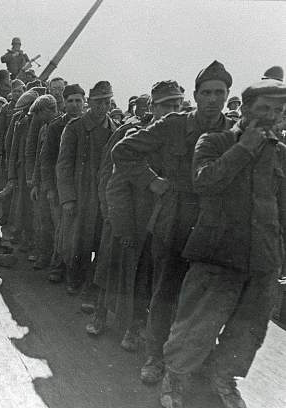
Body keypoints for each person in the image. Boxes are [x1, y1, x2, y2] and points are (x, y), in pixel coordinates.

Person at [160, 79, 286, 408]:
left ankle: (223, 377)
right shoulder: (214, 141)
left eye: (277, 110)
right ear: (244, 110)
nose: (271, 116)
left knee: (248, 330)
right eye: (263, 109)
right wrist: (244, 148)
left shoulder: (281, 153)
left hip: (262, 255)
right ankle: (176, 375)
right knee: (197, 324)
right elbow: (203, 182)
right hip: (217, 250)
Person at [111, 61, 234, 385]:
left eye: (219, 92)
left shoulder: (232, 133)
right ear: (195, 95)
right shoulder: (173, 125)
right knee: (164, 292)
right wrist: (152, 181)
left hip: (213, 224)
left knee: (203, 298)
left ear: (227, 95)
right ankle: (155, 357)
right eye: (206, 92)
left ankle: (192, 359)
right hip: (173, 218)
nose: (212, 99)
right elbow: (123, 152)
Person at [88, 80, 184, 351]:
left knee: (145, 278)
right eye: (167, 106)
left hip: (157, 224)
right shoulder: (133, 133)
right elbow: (110, 179)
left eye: (178, 105)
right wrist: (116, 221)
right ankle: (100, 314)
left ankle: (134, 327)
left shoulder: (181, 140)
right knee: (110, 269)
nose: (173, 111)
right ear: (153, 107)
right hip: (125, 217)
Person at [56, 81, 118, 312]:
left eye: (107, 101)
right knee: (77, 240)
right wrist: (68, 198)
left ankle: (92, 285)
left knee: (101, 242)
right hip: (81, 194)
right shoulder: (75, 128)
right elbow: (63, 165)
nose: (103, 105)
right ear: (89, 103)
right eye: (98, 101)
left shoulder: (115, 129)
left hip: (105, 196)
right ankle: (74, 277)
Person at [40, 84, 86, 282]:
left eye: (78, 100)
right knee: (62, 229)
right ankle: (58, 267)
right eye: (70, 101)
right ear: (64, 103)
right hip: (60, 186)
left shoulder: (87, 125)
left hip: (83, 187)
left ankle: (75, 269)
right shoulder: (56, 126)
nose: (74, 105)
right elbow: (47, 159)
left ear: (84, 102)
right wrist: (50, 188)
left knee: (79, 231)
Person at [24, 95, 58, 268]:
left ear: (47, 111)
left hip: (57, 184)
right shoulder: (44, 129)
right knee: (43, 221)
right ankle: (44, 255)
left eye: (38, 114)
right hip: (43, 183)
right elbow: (39, 158)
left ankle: (54, 259)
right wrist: (35, 183)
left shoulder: (61, 126)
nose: (35, 118)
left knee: (55, 224)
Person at [6, 89, 40, 248]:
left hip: (33, 169)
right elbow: (13, 147)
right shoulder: (20, 120)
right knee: (21, 203)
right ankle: (20, 233)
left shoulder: (40, 121)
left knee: (32, 205)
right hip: (22, 168)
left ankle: (31, 238)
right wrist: (11, 172)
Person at [0, 79, 26, 226]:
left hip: (22, 153)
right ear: (11, 93)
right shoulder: (6, 109)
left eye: (20, 91)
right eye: (15, 91)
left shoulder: (28, 107)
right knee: (6, 185)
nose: (17, 94)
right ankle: (5, 216)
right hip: (8, 153)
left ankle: (18, 219)